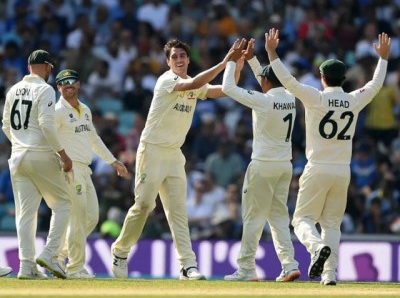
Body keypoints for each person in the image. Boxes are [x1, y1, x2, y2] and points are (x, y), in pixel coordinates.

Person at [265, 28, 391, 285]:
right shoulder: (353, 100)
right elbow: (375, 85)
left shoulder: (316, 98)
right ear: (344, 79)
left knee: (301, 219)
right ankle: (330, 275)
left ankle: (314, 249)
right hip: (343, 170)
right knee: (332, 224)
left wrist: (271, 52)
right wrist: (383, 59)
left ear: (322, 77)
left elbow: (289, 82)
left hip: (317, 167)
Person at [111, 38, 238, 280]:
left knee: (178, 212)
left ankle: (187, 265)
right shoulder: (167, 80)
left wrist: (236, 64)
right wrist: (224, 62)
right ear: (168, 61)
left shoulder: (193, 84)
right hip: (152, 151)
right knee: (145, 206)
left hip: (174, 155)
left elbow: (225, 90)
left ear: (189, 59)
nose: (179, 60)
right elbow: (197, 82)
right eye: (174, 57)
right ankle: (120, 250)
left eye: (182, 56)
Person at [221, 39, 301, 282]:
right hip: (284, 166)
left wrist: (233, 60)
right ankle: (289, 264)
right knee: (278, 217)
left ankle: (246, 269)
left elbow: (227, 88)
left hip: (263, 165)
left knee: (253, 217)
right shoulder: (289, 98)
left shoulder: (264, 100)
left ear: (266, 82)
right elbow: (268, 81)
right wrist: (254, 60)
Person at [2, 49, 73, 279]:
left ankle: (27, 266)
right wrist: (62, 154)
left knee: (25, 214)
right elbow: (45, 124)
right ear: (46, 67)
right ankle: (51, 254)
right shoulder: (45, 89)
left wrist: (20, 143)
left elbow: (5, 125)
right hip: (40, 153)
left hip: (18, 156)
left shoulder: (13, 89)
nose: (51, 73)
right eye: (50, 68)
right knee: (63, 204)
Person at [54, 69, 129, 279]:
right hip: (70, 168)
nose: (68, 84)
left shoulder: (85, 109)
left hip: (85, 169)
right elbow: (49, 138)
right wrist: (59, 162)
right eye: (63, 82)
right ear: (58, 87)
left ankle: (58, 256)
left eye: (72, 81)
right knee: (78, 219)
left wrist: (113, 161)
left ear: (78, 84)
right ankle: (75, 268)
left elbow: (94, 139)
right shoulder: (57, 111)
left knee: (91, 218)